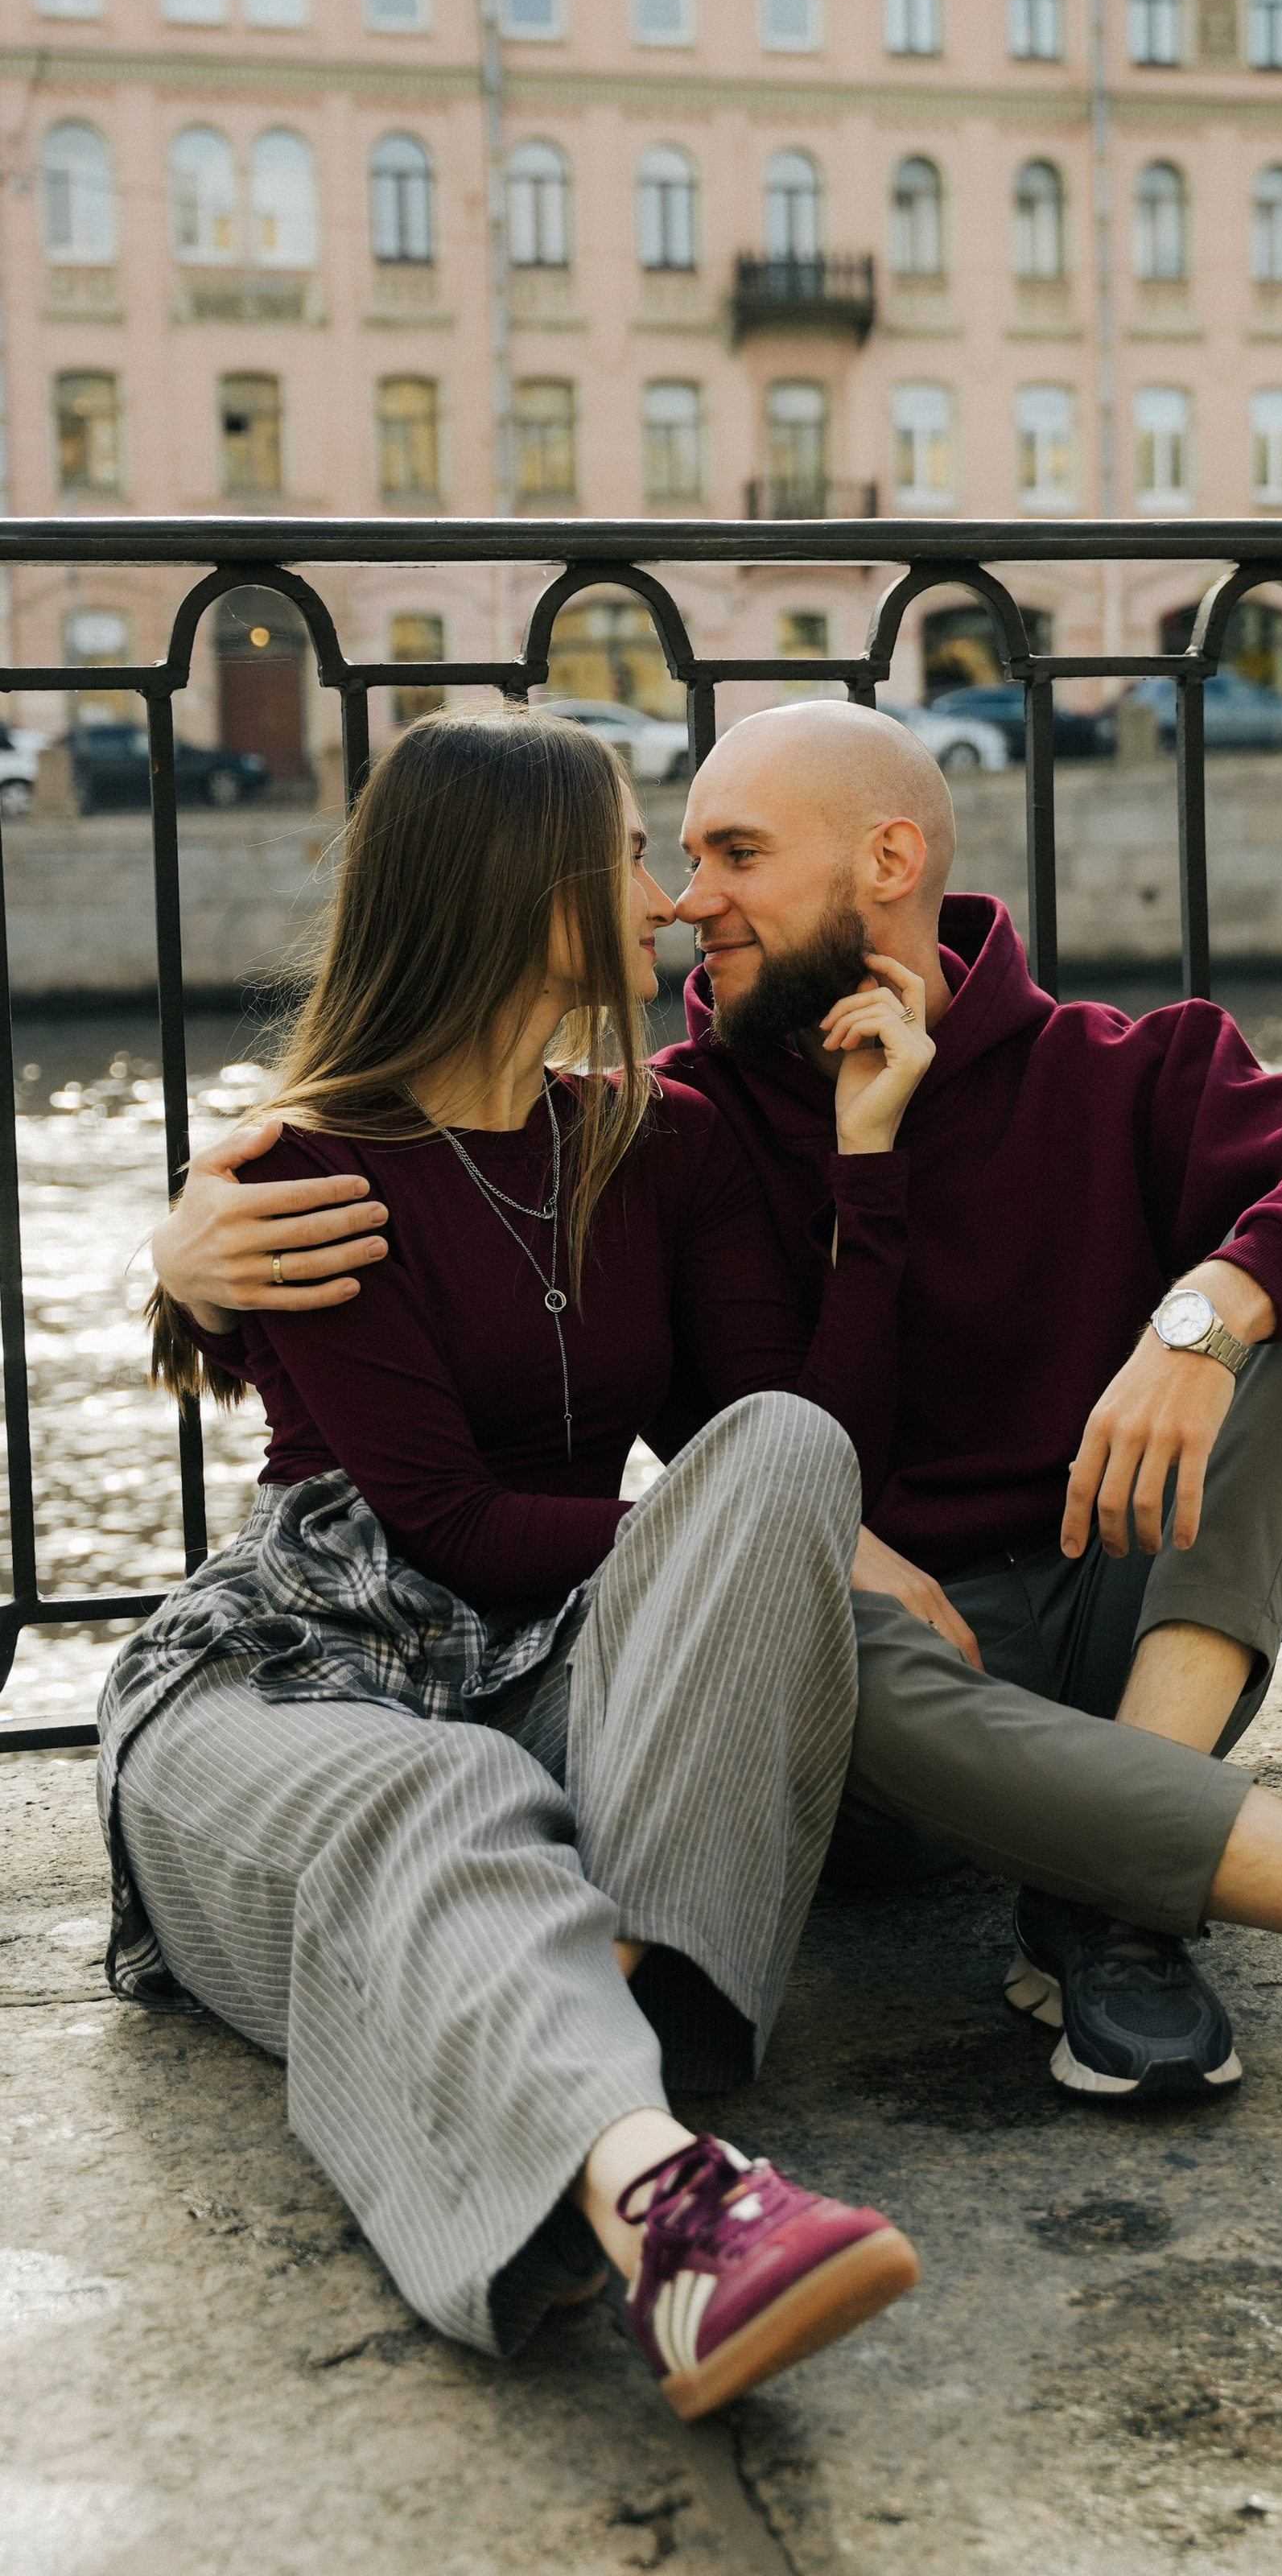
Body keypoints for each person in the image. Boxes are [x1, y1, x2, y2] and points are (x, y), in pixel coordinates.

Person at [153, 702, 1282, 2173]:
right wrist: (182, 1267)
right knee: (813, 1592)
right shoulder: (682, 1118)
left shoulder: (1115, 1072)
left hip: (1117, 1618)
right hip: (875, 1679)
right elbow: (747, 1454)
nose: (688, 904)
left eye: (732, 856)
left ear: (887, 863)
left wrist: (1207, 1315)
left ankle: (1108, 1909)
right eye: (667, 858)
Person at [109, 706, 938, 2422]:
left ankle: (608, 2069)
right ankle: (671, 2205)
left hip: (545, 1665)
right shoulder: (304, 1169)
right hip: (300, 1668)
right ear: (518, 888)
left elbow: (798, 1454)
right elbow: (449, 1527)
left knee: (775, 1454)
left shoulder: (659, 1142)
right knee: (443, 1808)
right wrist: (728, 1548)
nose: (661, 902)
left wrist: (873, 1160)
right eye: (628, 855)